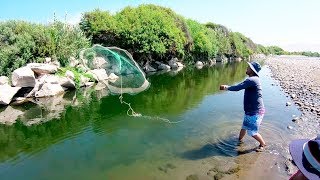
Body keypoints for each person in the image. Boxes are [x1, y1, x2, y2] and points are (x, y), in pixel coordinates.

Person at [220, 61, 266, 151]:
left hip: (256, 111)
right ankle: (239, 141)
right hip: (251, 111)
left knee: (252, 132)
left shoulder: (252, 80)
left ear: (252, 70)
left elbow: (238, 88)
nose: (247, 68)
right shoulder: (254, 79)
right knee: (244, 127)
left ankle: (263, 144)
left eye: (248, 67)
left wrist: (226, 87)